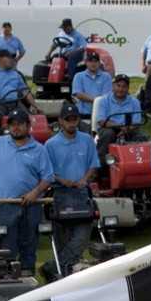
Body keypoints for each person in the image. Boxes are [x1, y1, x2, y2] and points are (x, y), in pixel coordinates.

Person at [0, 111, 51, 273]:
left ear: (28, 126)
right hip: (5, 205)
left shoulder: (39, 149)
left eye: (20, 124)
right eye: (12, 124)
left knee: (29, 247)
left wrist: (34, 193)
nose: (16, 128)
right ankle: (7, 280)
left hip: (32, 205)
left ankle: (28, 279)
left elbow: (48, 177)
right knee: (6, 249)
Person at [44, 105, 99, 272]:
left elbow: (93, 164)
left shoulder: (87, 140)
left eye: (74, 119)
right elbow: (47, 172)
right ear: (60, 121)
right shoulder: (51, 144)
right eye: (68, 119)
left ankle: (53, 267)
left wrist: (84, 179)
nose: (71, 123)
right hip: (61, 193)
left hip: (82, 192)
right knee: (62, 239)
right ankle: (63, 271)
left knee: (82, 236)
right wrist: (62, 180)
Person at [91, 73, 144, 149]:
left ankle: (138, 156)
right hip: (109, 128)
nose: (120, 89)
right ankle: (102, 156)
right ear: (113, 86)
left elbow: (136, 122)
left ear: (128, 88)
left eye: (124, 86)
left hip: (129, 129)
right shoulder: (104, 100)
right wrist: (120, 127)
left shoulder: (135, 102)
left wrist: (126, 130)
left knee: (141, 137)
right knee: (108, 134)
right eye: (118, 86)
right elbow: (101, 121)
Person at [68, 48, 112, 118]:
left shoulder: (106, 76)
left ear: (99, 63)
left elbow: (106, 96)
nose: (93, 64)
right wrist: (97, 100)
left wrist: (92, 100)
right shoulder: (78, 76)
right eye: (90, 61)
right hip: (83, 115)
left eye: (95, 61)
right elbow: (79, 94)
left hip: (101, 115)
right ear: (86, 62)